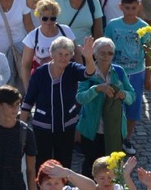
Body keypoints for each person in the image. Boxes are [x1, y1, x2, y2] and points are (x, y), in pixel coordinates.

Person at [21, 36, 96, 171]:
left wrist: (89, 58)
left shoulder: (72, 69)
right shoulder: (40, 73)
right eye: (60, 54)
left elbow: (88, 73)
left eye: (67, 54)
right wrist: (21, 127)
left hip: (66, 125)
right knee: (43, 162)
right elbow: (28, 100)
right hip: (43, 126)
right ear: (52, 54)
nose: (63, 58)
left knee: (64, 161)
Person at [76, 37, 135, 178]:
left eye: (110, 53)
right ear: (95, 54)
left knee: (113, 166)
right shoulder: (87, 73)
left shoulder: (119, 72)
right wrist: (97, 89)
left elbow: (132, 96)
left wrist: (124, 94)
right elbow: (80, 98)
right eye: (102, 53)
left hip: (114, 129)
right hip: (92, 129)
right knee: (91, 165)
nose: (106, 56)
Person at [103, 0, 150, 155]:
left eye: (133, 8)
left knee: (133, 106)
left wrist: (148, 77)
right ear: (120, 7)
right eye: (127, 8)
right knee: (114, 104)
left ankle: (127, 138)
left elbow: (148, 51)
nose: (130, 12)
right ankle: (113, 136)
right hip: (116, 72)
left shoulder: (143, 27)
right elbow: (105, 49)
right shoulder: (112, 25)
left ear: (138, 7)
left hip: (136, 73)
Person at [21, 0, 78, 90]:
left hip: (66, 79)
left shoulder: (66, 31)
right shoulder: (32, 36)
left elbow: (77, 55)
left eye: (53, 18)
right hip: (42, 81)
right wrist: (28, 90)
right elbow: (26, 65)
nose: (49, 22)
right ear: (39, 17)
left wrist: (80, 80)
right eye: (45, 18)